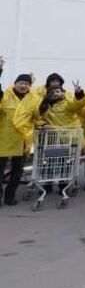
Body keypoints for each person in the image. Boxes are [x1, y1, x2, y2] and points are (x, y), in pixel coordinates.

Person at [0, 61, 34, 205]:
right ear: (15, 84)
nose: (23, 86)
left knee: (17, 171)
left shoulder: (32, 99)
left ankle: (10, 196)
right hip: (4, 138)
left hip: (22, 140)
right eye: (21, 83)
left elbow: (37, 115)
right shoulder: (6, 96)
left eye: (26, 84)